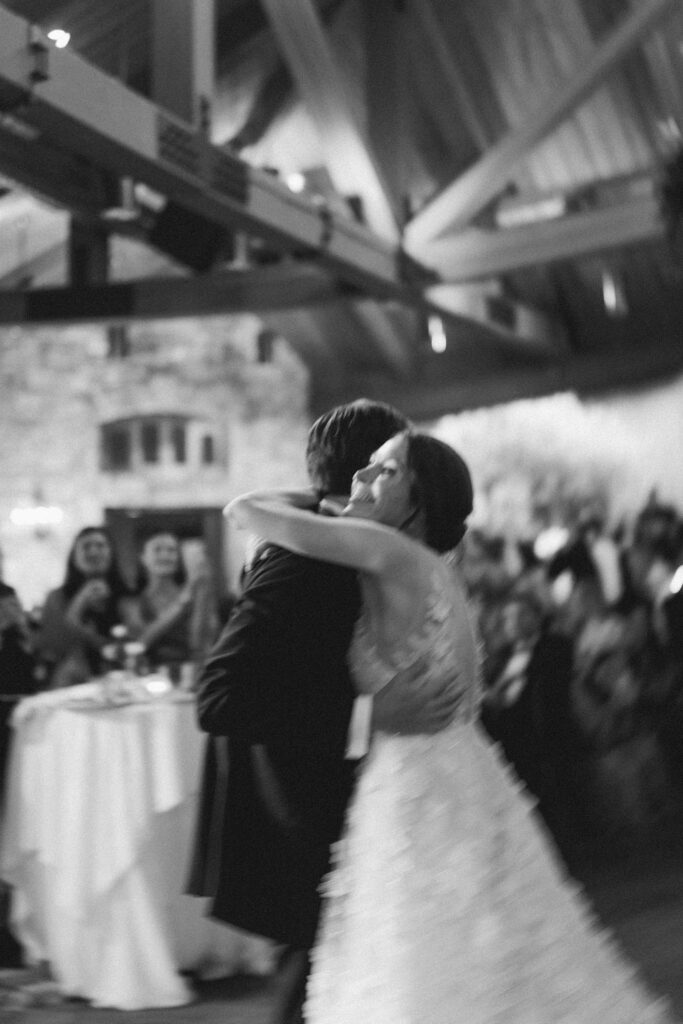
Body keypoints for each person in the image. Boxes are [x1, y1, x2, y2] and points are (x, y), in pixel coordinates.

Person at [227, 429, 677, 1024]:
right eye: (366, 467)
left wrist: (319, 497)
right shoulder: (433, 566)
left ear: (420, 502)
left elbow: (246, 510)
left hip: (414, 786)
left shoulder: (386, 551)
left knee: (425, 955)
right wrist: (354, 497)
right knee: (482, 946)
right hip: (464, 771)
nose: (362, 477)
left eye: (386, 471)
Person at [194, 400, 462, 1024]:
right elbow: (221, 695)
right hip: (304, 809)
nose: (377, 475)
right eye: (380, 464)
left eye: (390, 468)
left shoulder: (349, 544)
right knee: (323, 987)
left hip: (365, 806)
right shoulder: (304, 554)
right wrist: (367, 715)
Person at [34, 526, 130, 688]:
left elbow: (133, 642)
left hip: (122, 680)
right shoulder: (56, 597)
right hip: (73, 683)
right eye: (86, 546)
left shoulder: (126, 594)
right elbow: (53, 645)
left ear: (111, 553)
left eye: (100, 546)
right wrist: (81, 599)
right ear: (74, 557)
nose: (94, 552)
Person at [120, 532, 219, 681]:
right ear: (143, 558)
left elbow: (201, 643)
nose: (165, 556)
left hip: (191, 675)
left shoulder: (195, 594)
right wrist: (182, 602)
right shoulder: (132, 601)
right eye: (157, 549)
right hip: (150, 679)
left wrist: (201, 590)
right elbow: (140, 642)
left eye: (171, 550)